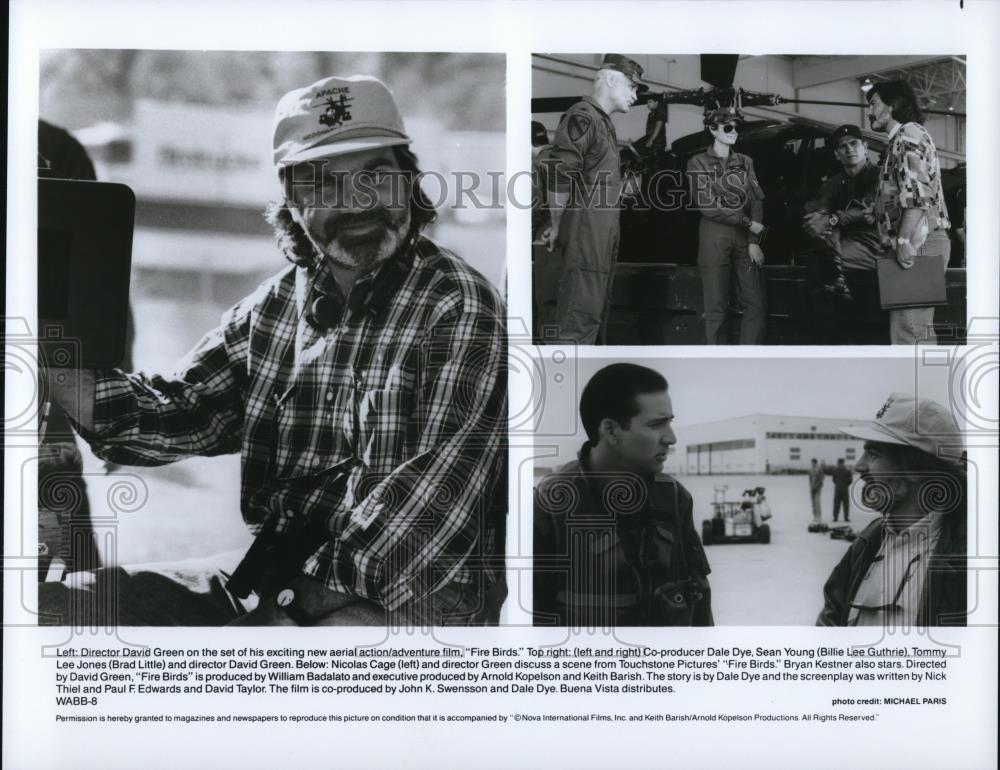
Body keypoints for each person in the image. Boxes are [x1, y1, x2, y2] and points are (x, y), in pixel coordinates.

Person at [40, 74, 507, 627]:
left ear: (409, 180)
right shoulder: (275, 305)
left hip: (410, 597)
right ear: (291, 197)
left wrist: (271, 619)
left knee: (259, 672)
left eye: (375, 174)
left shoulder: (459, 306)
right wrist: (54, 360)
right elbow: (177, 414)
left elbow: (424, 516)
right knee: (57, 610)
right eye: (324, 182)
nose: (355, 201)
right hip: (272, 571)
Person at [533, 363, 713, 627]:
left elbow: (699, 601)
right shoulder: (551, 505)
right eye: (656, 424)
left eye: (670, 422)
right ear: (611, 431)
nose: (671, 438)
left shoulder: (673, 497)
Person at [817, 393, 966, 627]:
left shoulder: (969, 559)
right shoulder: (867, 543)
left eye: (874, 454)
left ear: (916, 468)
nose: (859, 466)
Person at [539, 54, 646, 344]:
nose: (635, 95)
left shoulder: (602, 123)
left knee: (593, 319)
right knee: (578, 321)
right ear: (610, 79)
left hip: (600, 237)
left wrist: (622, 190)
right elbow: (561, 173)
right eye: (632, 87)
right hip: (586, 238)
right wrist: (556, 224)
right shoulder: (583, 116)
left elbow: (592, 181)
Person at [866, 80, 951, 345]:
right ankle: (917, 386)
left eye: (874, 103)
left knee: (910, 331)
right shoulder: (903, 138)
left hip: (918, 242)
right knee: (911, 330)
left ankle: (919, 387)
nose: (869, 110)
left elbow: (916, 197)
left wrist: (903, 241)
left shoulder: (907, 134)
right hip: (918, 240)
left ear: (892, 106)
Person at [686, 106, 766, 345]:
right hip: (714, 238)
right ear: (712, 129)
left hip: (745, 240)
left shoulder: (745, 162)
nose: (734, 132)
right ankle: (718, 363)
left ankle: (748, 358)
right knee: (716, 308)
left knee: (756, 304)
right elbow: (708, 206)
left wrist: (754, 242)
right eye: (727, 127)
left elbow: (757, 200)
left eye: (736, 127)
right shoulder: (697, 163)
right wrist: (748, 223)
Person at [801, 124, 884, 343]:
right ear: (837, 154)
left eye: (854, 144)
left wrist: (833, 218)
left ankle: (827, 337)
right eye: (843, 147)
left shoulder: (879, 176)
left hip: (873, 244)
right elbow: (815, 207)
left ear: (865, 147)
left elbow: (866, 208)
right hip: (839, 242)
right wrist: (819, 217)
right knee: (816, 243)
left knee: (819, 267)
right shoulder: (834, 182)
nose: (849, 150)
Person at [831, 458, 852, 523]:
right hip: (837, 489)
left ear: (843, 463)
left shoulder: (847, 471)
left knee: (846, 504)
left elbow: (850, 480)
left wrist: (845, 485)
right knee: (836, 504)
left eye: (842, 463)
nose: (840, 464)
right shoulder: (835, 471)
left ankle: (846, 517)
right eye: (839, 463)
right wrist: (838, 484)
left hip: (845, 489)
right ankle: (835, 517)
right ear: (838, 464)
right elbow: (834, 479)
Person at [808, 458, 825, 526]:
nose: (812, 464)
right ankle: (815, 516)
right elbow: (810, 479)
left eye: (813, 462)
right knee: (813, 503)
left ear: (816, 463)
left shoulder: (819, 469)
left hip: (818, 488)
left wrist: (816, 486)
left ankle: (819, 516)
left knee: (817, 502)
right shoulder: (811, 470)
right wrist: (811, 486)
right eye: (811, 462)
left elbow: (821, 479)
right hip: (812, 488)